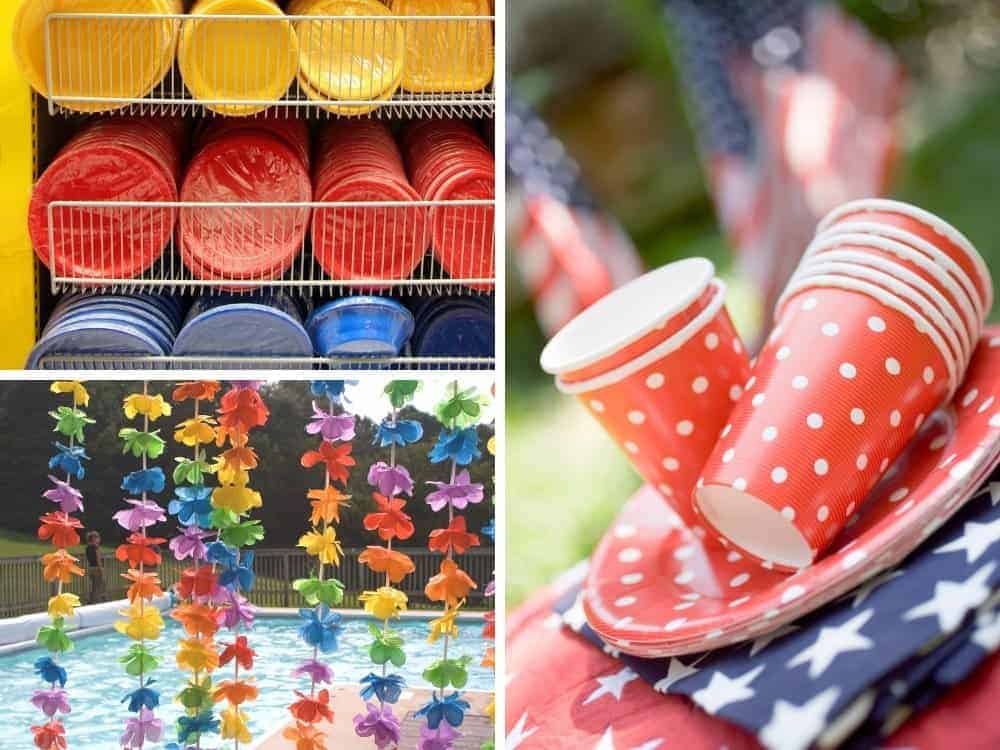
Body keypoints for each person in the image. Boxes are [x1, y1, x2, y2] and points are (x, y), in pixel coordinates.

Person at [85, 530, 105, 604]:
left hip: (91, 568)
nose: (99, 539)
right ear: (94, 538)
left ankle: (90, 600)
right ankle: (95, 601)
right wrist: (101, 570)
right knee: (97, 586)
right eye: (98, 537)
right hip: (97, 568)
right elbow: (98, 559)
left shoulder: (87, 548)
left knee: (92, 586)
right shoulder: (96, 547)